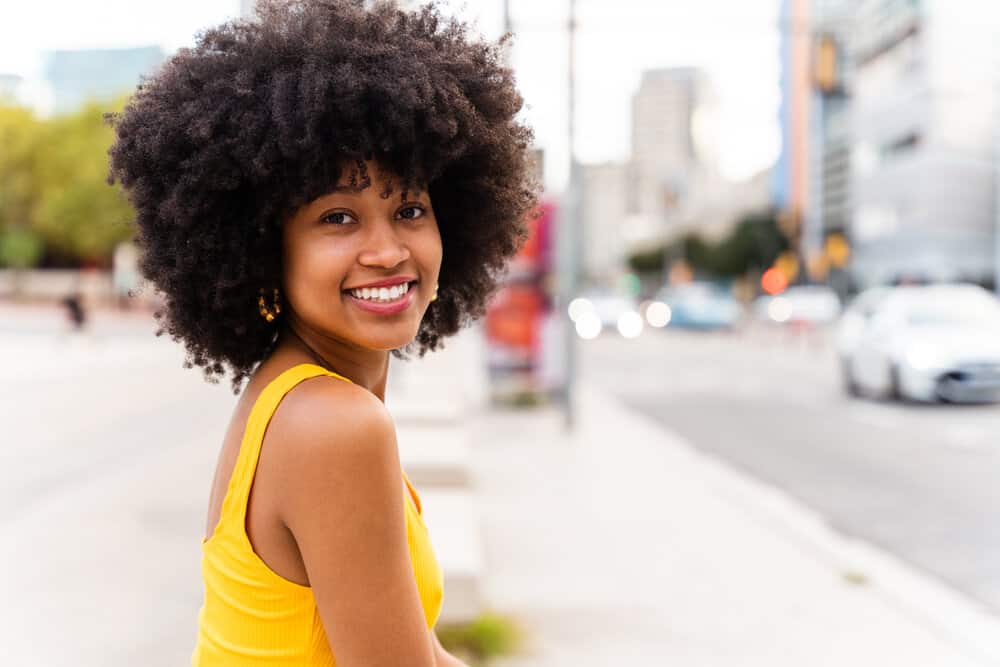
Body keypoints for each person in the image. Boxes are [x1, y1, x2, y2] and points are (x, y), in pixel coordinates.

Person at [104, 1, 540, 664]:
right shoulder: (334, 426)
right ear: (264, 247)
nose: (388, 249)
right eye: (339, 217)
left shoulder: (297, 394)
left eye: (410, 208)